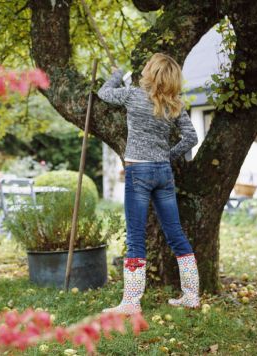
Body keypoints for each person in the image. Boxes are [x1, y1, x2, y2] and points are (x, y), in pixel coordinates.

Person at [97, 53, 200, 315]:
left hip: (138, 172)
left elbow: (104, 92)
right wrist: (168, 156)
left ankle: (131, 302)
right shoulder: (175, 105)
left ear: (151, 73)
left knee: (135, 237)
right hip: (163, 172)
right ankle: (191, 295)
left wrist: (117, 73)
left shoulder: (132, 95)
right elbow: (191, 137)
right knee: (175, 234)